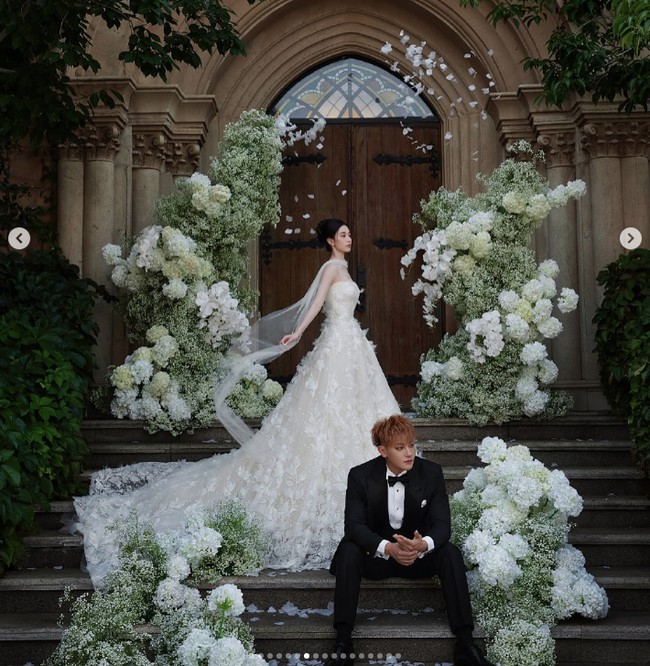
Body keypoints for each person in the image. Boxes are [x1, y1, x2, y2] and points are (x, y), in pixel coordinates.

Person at [74, 218, 400, 586]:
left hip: (352, 346)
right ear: (329, 241)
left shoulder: (343, 268)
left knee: (358, 407)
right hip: (335, 345)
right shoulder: (330, 268)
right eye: (343, 234)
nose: (349, 237)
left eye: (349, 233)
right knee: (324, 410)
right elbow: (312, 306)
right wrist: (296, 335)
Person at [329, 414, 495, 666]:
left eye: (411, 445)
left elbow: (442, 525)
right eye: (400, 448)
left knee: (450, 552)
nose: (409, 453)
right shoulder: (360, 476)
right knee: (349, 550)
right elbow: (354, 527)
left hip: (418, 559)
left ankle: (465, 642)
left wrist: (423, 545)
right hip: (377, 559)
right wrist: (388, 548)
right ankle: (342, 642)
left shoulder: (431, 473)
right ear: (382, 450)